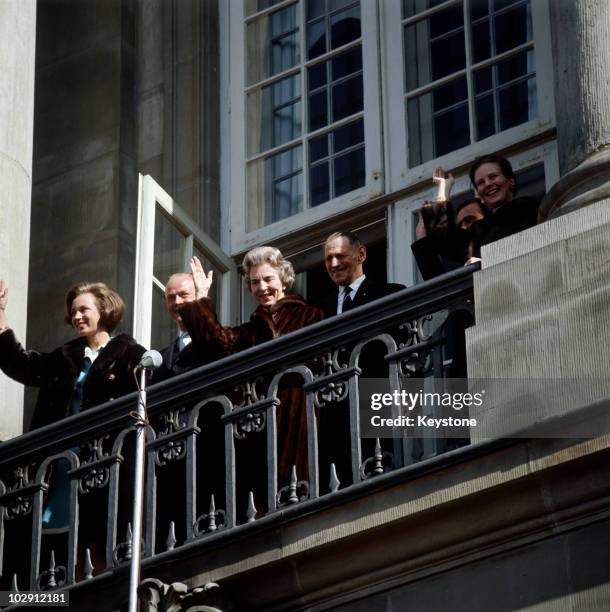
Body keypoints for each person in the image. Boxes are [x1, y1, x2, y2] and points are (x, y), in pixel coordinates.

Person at [178, 249, 324, 510]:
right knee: (264, 492)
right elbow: (214, 344)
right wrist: (201, 297)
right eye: (255, 282)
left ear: (284, 279)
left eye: (268, 279)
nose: (262, 287)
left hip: (299, 413)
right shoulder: (249, 331)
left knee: (300, 487)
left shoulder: (311, 315)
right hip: (259, 421)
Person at [0, 280, 145, 430]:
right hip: (61, 449)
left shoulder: (131, 355)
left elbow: (144, 405)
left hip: (106, 449)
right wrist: (0, 311)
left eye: (83, 310)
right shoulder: (63, 358)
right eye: (73, 312)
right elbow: (21, 364)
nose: (76, 317)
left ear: (104, 310)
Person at [153, 272, 224, 382]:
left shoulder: (218, 339)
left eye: (184, 295)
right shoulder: (160, 358)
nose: (177, 301)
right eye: (171, 297)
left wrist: (201, 303)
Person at [319, 231, 404, 318]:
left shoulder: (391, 295)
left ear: (361, 254)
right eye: (329, 259)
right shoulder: (321, 311)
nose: (334, 264)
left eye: (340, 256)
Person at [468, 154, 540, 252]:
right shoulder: (478, 229)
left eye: (493, 177)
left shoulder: (526, 207)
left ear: (511, 181)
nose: (487, 184)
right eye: (481, 182)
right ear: (479, 195)